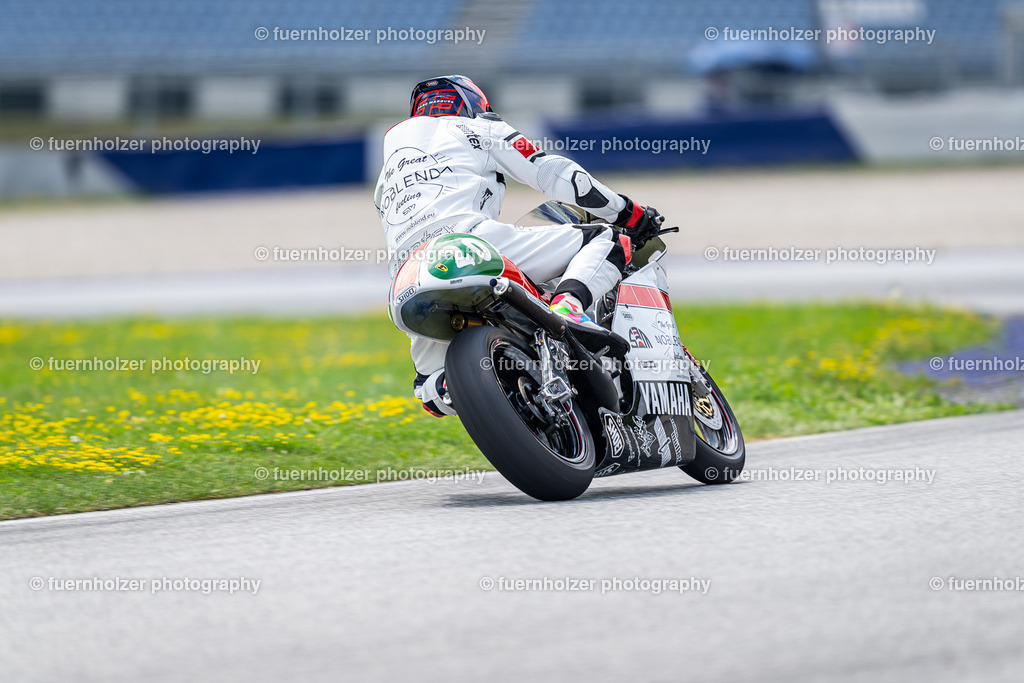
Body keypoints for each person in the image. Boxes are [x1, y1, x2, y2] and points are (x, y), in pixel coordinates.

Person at [373, 75, 664, 417]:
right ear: (473, 104)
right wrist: (627, 211)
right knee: (609, 239)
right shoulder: (476, 128)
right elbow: (554, 173)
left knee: (433, 390)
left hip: (408, 279)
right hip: (471, 242)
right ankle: (568, 307)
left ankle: (476, 383)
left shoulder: (385, 177)